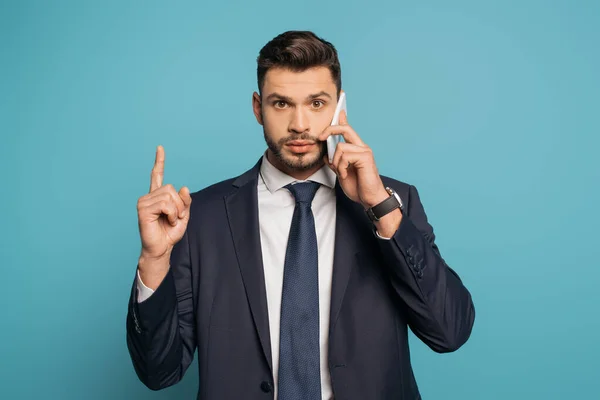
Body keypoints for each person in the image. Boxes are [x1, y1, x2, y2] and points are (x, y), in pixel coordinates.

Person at [126, 30, 475, 400]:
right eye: (281, 104)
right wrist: (154, 259)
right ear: (258, 108)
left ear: (340, 107)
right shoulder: (202, 218)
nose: (300, 124)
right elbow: (158, 372)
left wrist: (381, 208)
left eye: (316, 103)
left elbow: (449, 331)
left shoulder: (394, 200)